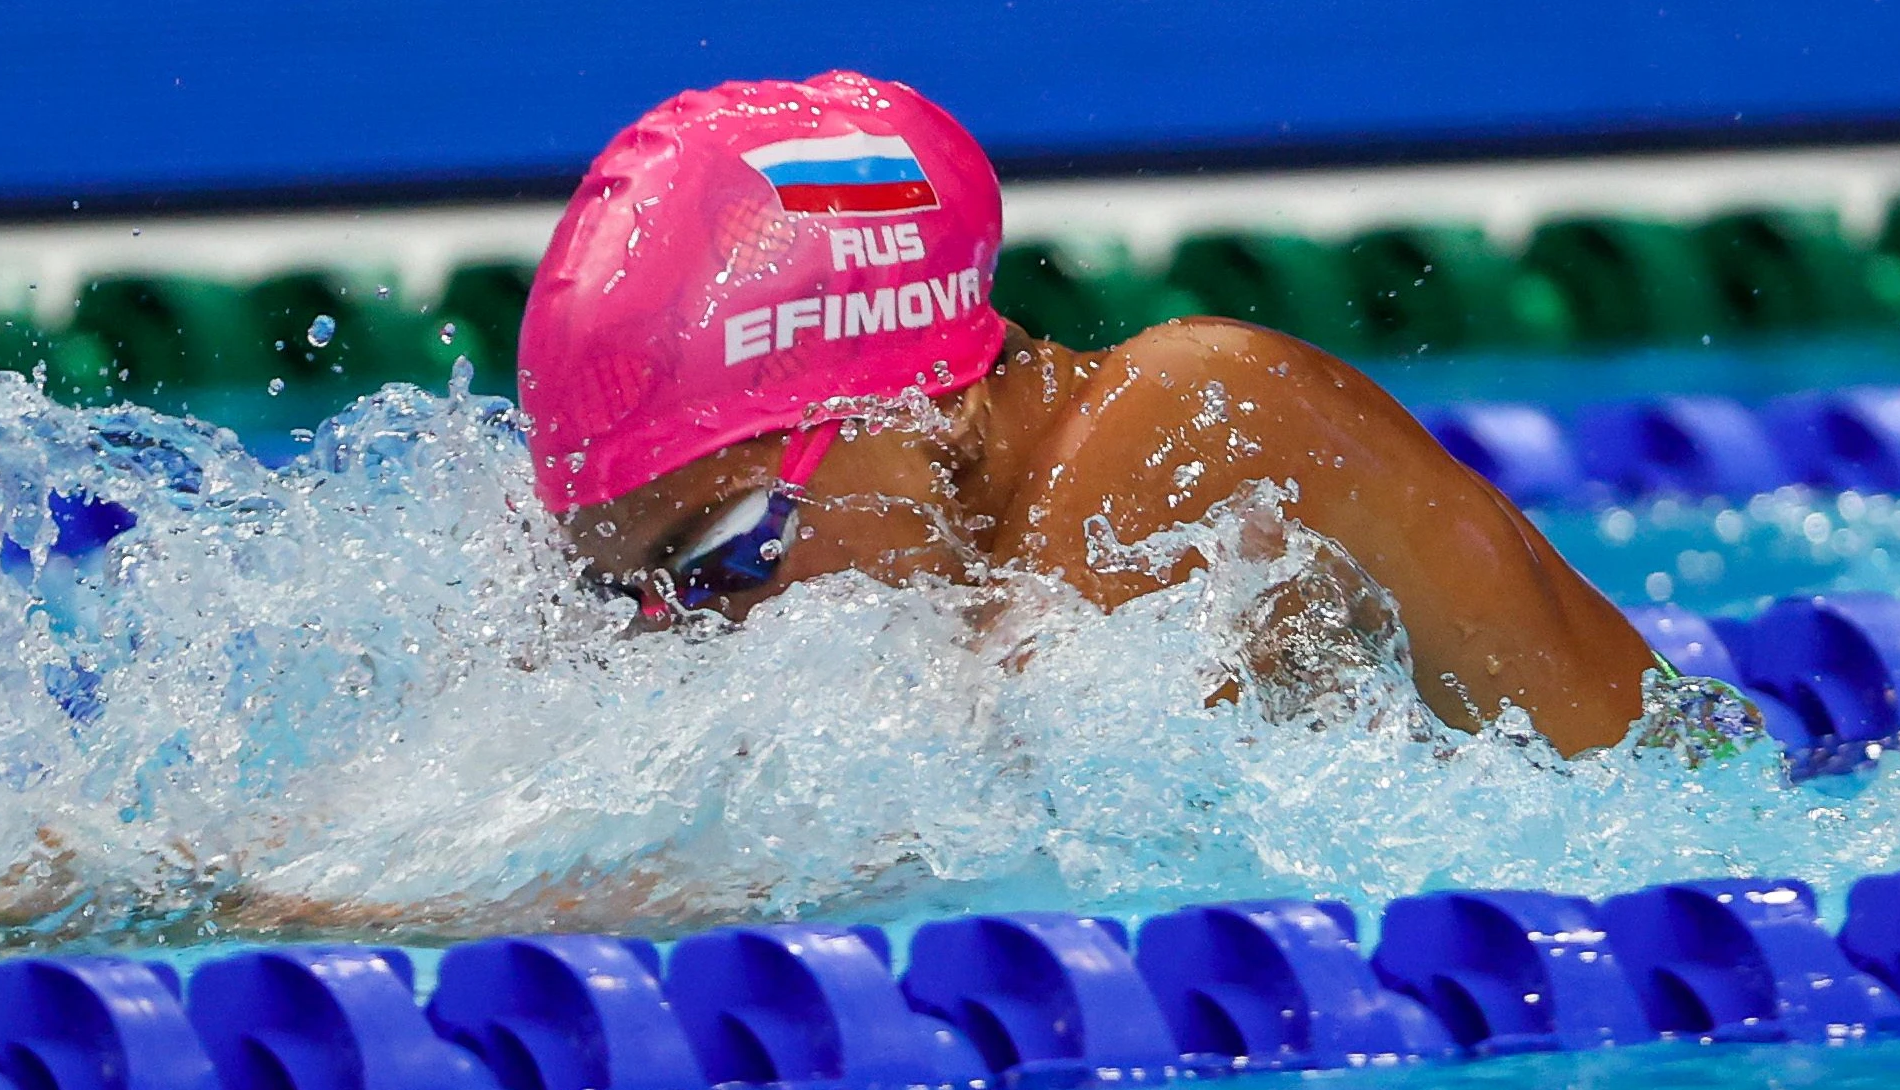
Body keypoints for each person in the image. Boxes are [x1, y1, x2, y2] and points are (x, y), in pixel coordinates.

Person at [520, 70, 1654, 754]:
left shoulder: (1196, 412)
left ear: (909, 412)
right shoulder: (963, 546)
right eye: (626, 595)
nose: (687, 631)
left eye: (719, 557)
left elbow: (944, 828)